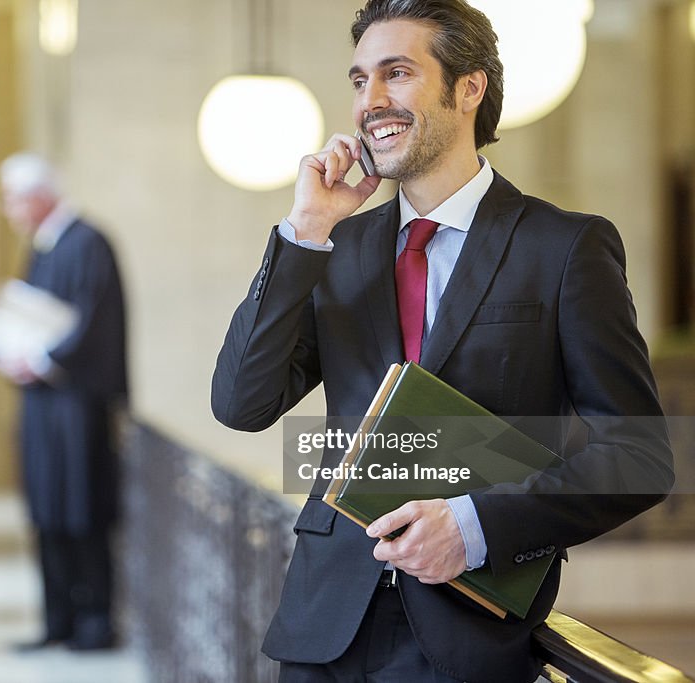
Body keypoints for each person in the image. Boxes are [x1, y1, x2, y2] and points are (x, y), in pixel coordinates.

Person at [211, 1, 674, 681]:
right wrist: (304, 232)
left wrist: (476, 523)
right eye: (360, 79)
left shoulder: (565, 248)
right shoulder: (334, 248)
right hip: (323, 627)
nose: (371, 100)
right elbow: (240, 402)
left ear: (469, 87)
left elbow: (639, 454)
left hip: (469, 632)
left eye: (396, 74)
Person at [0, 153, 127, 651]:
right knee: (47, 509)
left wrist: (43, 358)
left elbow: (93, 324)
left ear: (38, 196)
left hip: (78, 405)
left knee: (82, 508)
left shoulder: (89, 243)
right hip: (43, 405)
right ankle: (58, 620)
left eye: (12, 199)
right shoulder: (43, 246)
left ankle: (95, 621)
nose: (8, 210)